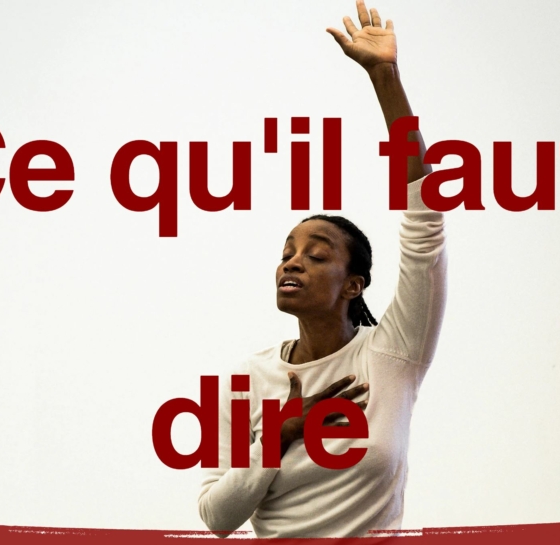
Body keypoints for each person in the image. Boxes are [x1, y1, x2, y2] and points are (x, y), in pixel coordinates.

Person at [198, 0, 447, 538]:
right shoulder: (247, 382)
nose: (292, 261)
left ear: (353, 284)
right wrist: (279, 435)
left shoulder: (391, 356)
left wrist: (385, 79)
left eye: (316, 255)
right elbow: (216, 518)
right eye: (288, 251)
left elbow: (425, 219)